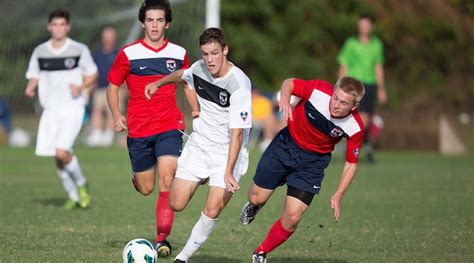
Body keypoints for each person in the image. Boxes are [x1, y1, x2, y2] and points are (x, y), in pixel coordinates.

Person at [145, 27, 252, 263]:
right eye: (205, 53)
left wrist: (227, 171)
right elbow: (182, 74)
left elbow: (236, 135)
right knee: (176, 203)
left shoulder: (239, 85)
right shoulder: (199, 68)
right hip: (200, 146)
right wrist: (159, 83)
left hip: (226, 154)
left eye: (214, 53)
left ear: (225, 50)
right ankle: (202, 177)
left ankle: (182, 258)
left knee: (212, 209)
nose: (210, 59)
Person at [239, 77, 365, 263]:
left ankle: (261, 252)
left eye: (343, 102)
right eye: (336, 98)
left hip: (313, 163)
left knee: (293, 216)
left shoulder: (355, 126)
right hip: (286, 145)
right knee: (257, 197)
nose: (336, 105)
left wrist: (338, 193)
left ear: (353, 107)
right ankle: (255, 205)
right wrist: (284, 98)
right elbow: (289, 82)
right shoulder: (318, 90)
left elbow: (351, 164)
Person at [106, 0, 197, 257]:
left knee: (167, 177)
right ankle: (136, 178)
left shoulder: (179, 53)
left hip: (170, 124)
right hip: (139, 129)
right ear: (143, 23)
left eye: (159, 20)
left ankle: (162, 240)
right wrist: (116, 113)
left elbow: (188, 84)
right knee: (147, 188)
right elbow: (112, 86)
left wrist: (196, 110)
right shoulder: (128, 53)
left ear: (167, 23)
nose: (154, 25)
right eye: (150, 20)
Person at [24, 8, 97, 209]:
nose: (58, 28)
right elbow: (34, 74)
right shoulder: (40, 51)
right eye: (54, 24)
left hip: (73, 106)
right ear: (49, 27)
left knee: (62, 152)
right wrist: (30, 86)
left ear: (68, 27)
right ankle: (73, 195)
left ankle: (82, 184)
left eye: (62, 24)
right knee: (57, 156)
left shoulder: (79, 49)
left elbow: (93, 74)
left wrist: (81, 86)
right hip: (50, 110)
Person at [337, 14, 387, 163]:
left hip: (370, 84)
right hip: (354, 84)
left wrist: (381, 88)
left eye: (366, 25)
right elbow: (343, 64)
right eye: (361, 25)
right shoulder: (351, 43)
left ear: (371, 27)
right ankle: (358, 145)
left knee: (367, 118)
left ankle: (363, 144)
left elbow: (378, 66)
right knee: (360, 118)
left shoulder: (376, 44)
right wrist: (341, 84)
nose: (364, 27)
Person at [87, 26, 120, 147]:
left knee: (112, 110)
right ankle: (96, 133)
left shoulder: (118, 54)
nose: (108, 40)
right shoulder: (97, 54)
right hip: (100, 88)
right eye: (106, 37)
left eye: (110, 37)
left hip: (115, 88)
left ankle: (108, 134)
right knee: (97, 109)